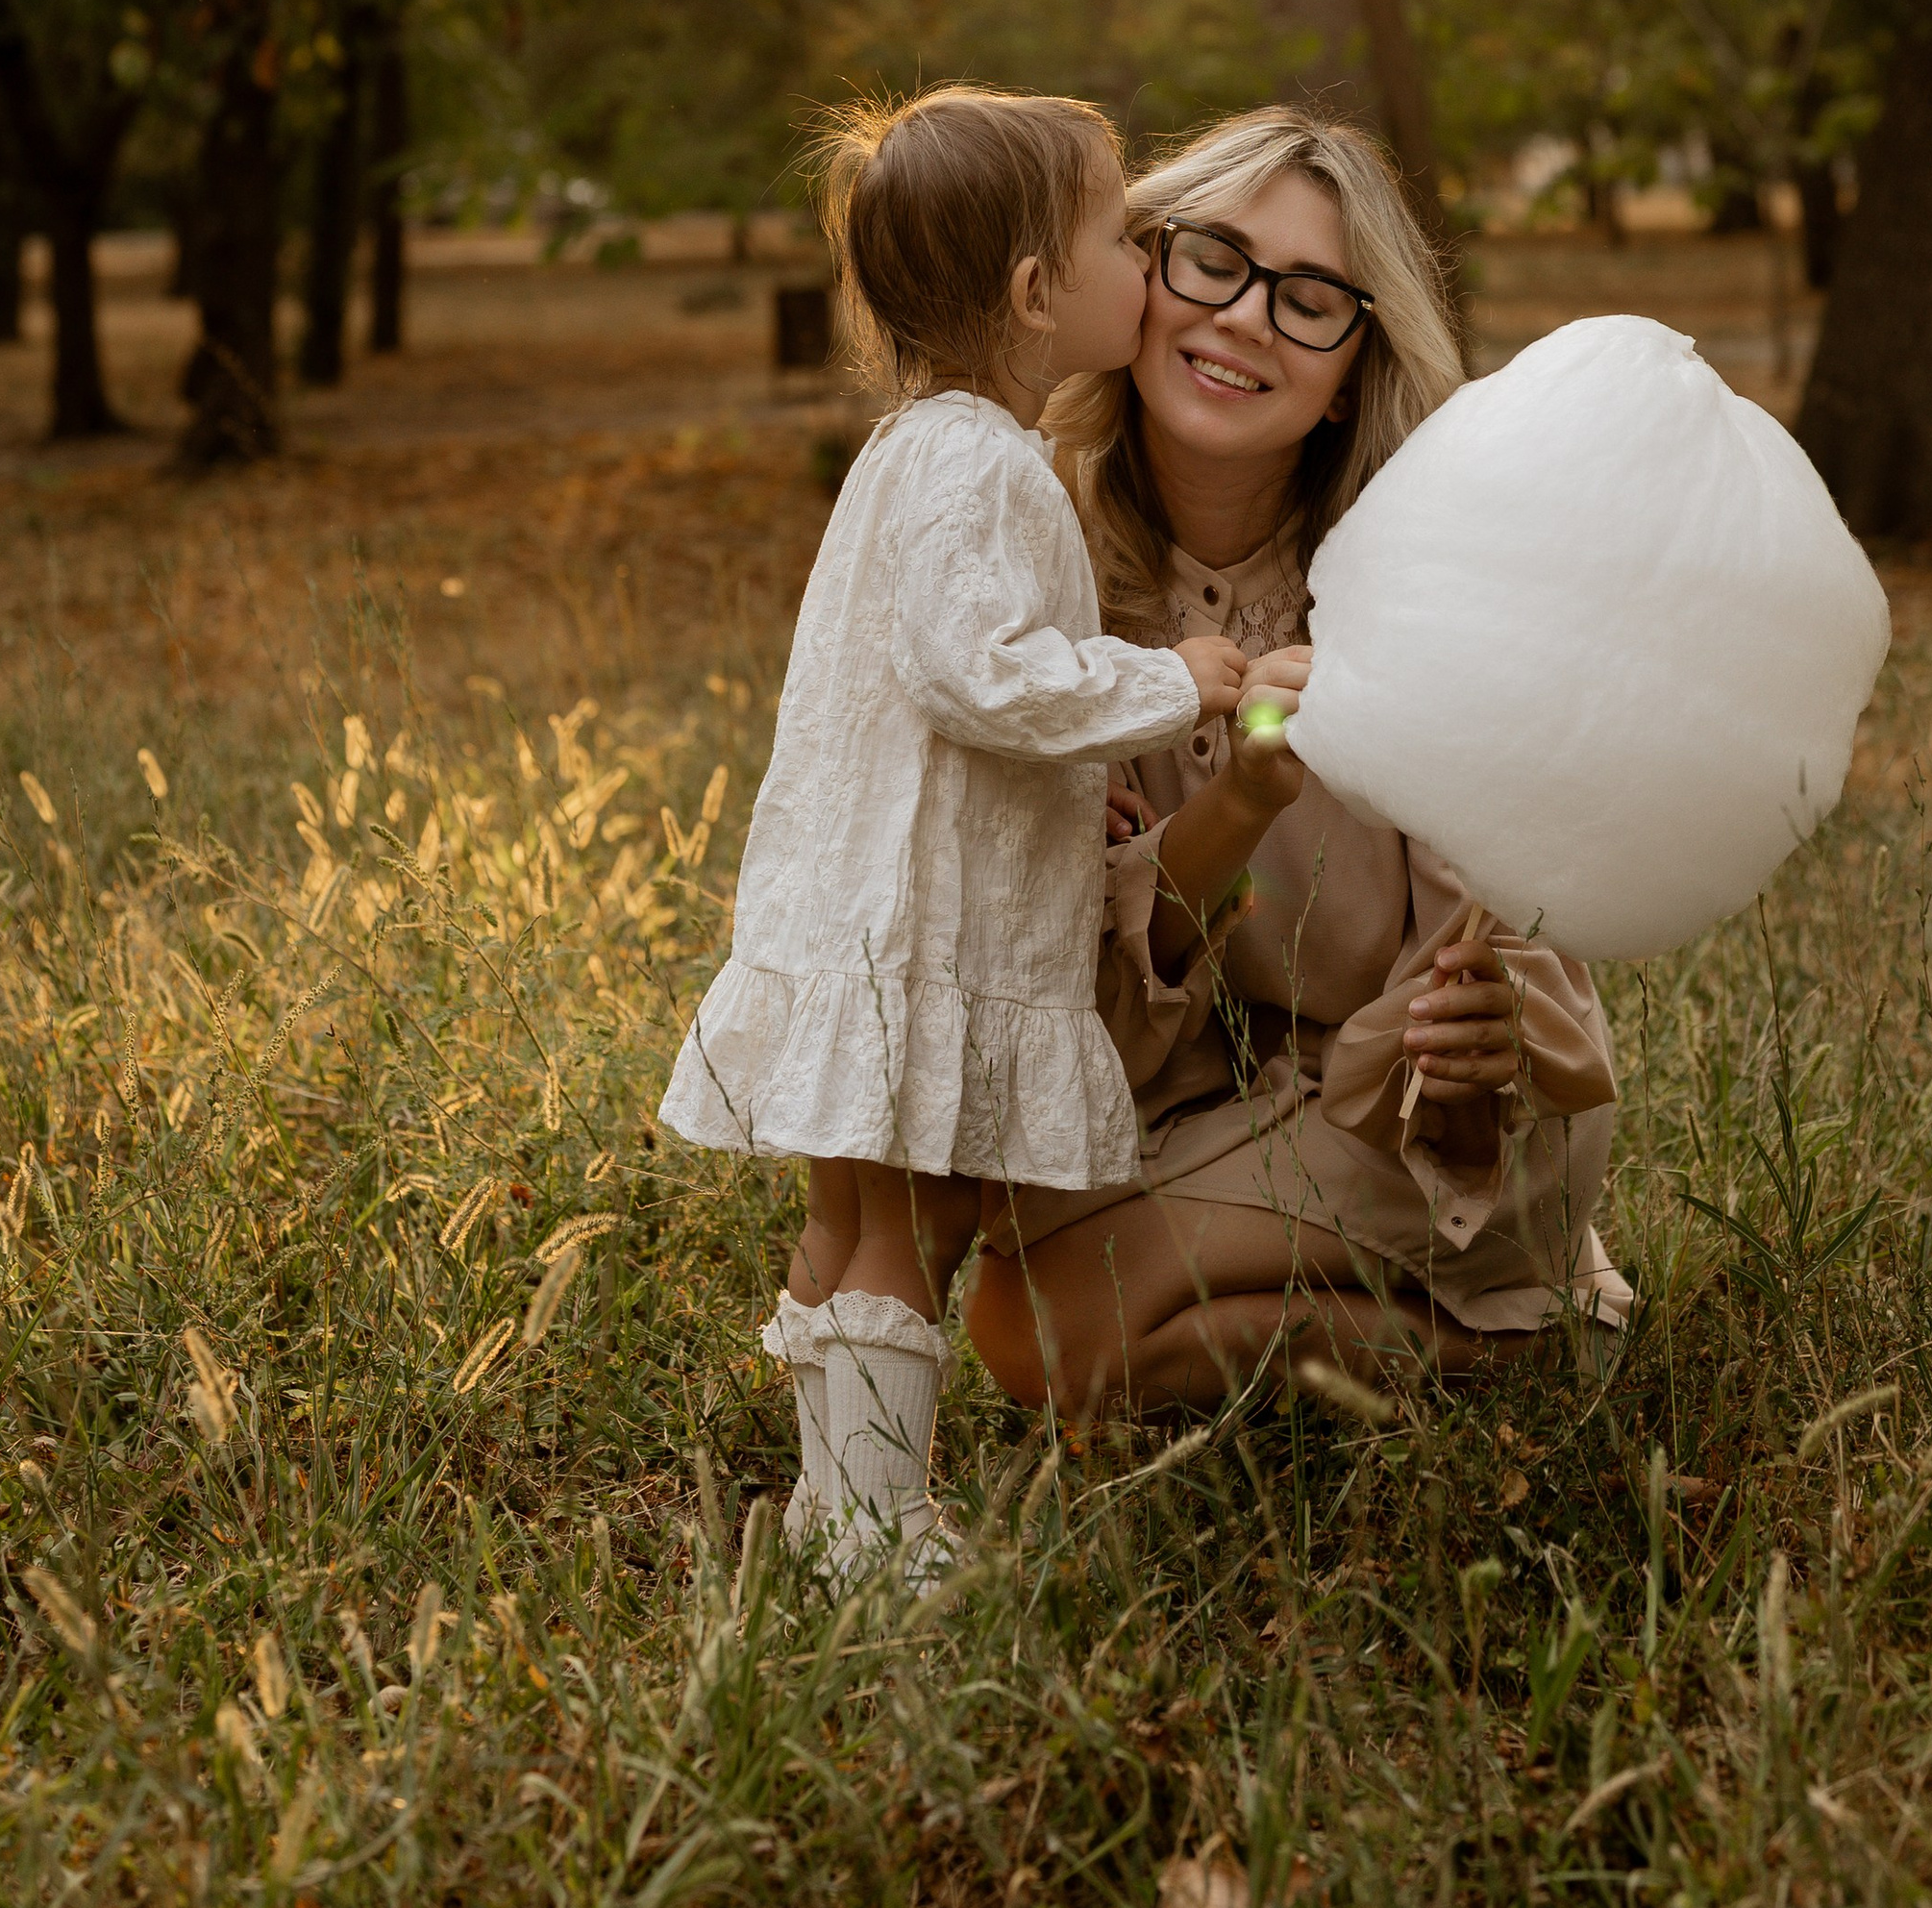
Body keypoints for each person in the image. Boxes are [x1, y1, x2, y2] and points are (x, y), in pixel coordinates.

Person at [656, 86, 1247, 1569]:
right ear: (1039, 294)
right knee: (914, 1229)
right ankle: (875, 1526)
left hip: (865, 907)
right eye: (1125, 235)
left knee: (852, 1217)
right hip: (919, 927)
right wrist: (1168, 681)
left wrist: (1075, 772)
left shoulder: (923, 453)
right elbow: (978, 671)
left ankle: (824, 1500)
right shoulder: (980, 463)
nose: (1152, 260)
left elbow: (941, 696)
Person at [966, 108, 1627, 1418]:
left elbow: (1508, 949)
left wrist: (1479, 1037)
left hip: (1396, 1107)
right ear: (1137, 270)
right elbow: (1048, 978)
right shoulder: (1031, 558)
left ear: (1353, 362)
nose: (1252, 317)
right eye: (1215, 260)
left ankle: (1518, 1350)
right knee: (1009, 1280)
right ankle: (1422, 1335)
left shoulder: (1429, 585)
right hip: (1175, 1088)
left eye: (1313, 297)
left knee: (1036, 1334)